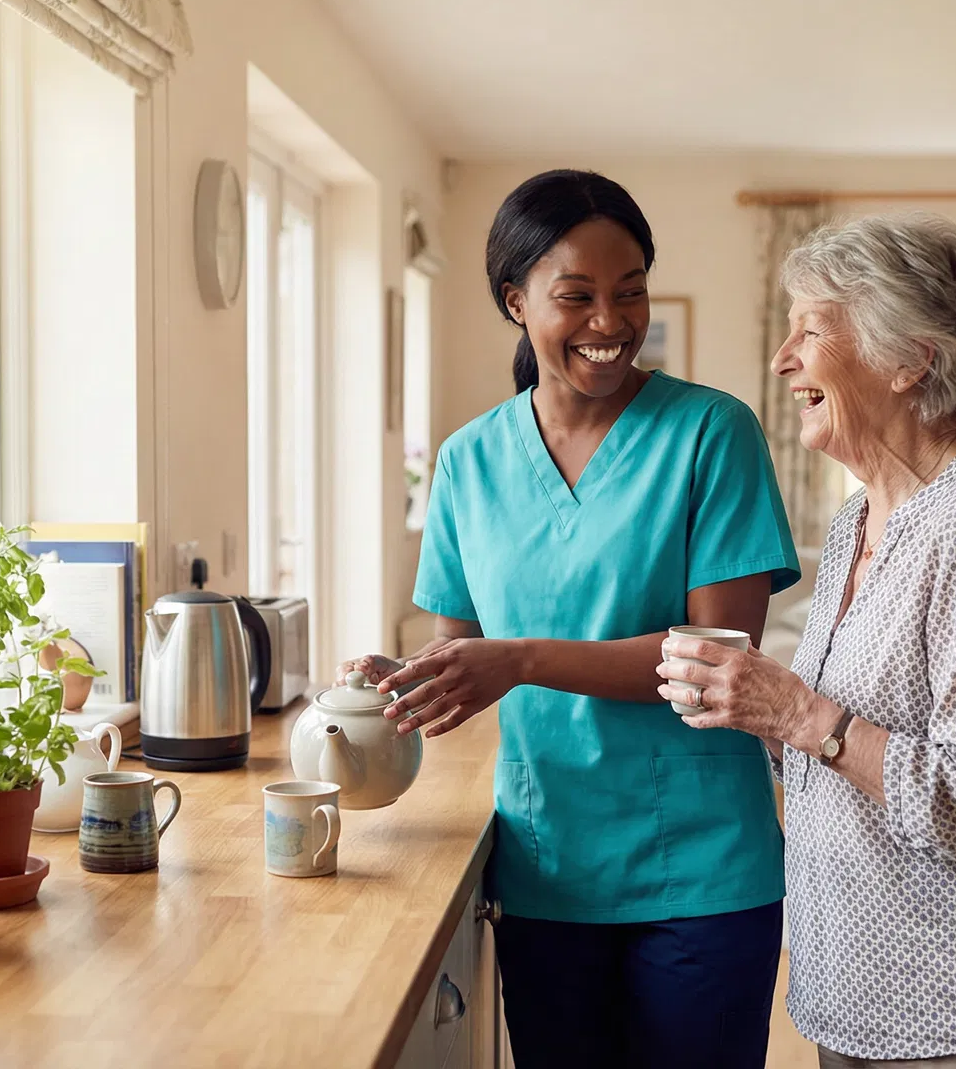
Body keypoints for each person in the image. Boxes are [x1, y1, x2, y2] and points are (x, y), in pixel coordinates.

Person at [339, 169, 800, 1069]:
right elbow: (464, 650)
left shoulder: (713, 433)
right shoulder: (468, 461)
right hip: (548, 858)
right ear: (516, 301)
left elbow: (718, 662)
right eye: (577, 296)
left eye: (630, 292)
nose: (610, 321)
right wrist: (407, 682)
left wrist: (520, 661)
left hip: (699, 867)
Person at [656, 213, 956, 1068]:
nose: (782, 359)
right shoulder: (860, 518)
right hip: (861, 989)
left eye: (811, 331)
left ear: (910, 361)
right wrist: (754, 708)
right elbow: (846, 747)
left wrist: (799, 715)